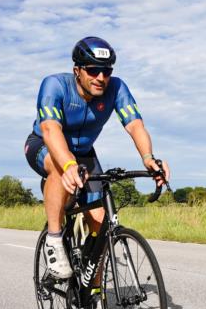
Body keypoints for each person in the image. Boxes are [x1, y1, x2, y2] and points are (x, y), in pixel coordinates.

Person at [24, 36, 169, 279]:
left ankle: (94, 289)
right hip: (44, 145)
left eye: (106, 71)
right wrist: (68, 164)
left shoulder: (116, 88)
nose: (101, 77)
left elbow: (135, 125)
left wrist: (148, 157)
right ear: (77, 71)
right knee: (60, 170)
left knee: (101, 224)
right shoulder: (55, 85)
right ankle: (54, 239)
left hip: (85, 154)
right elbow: (51, 129)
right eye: (93, 70)